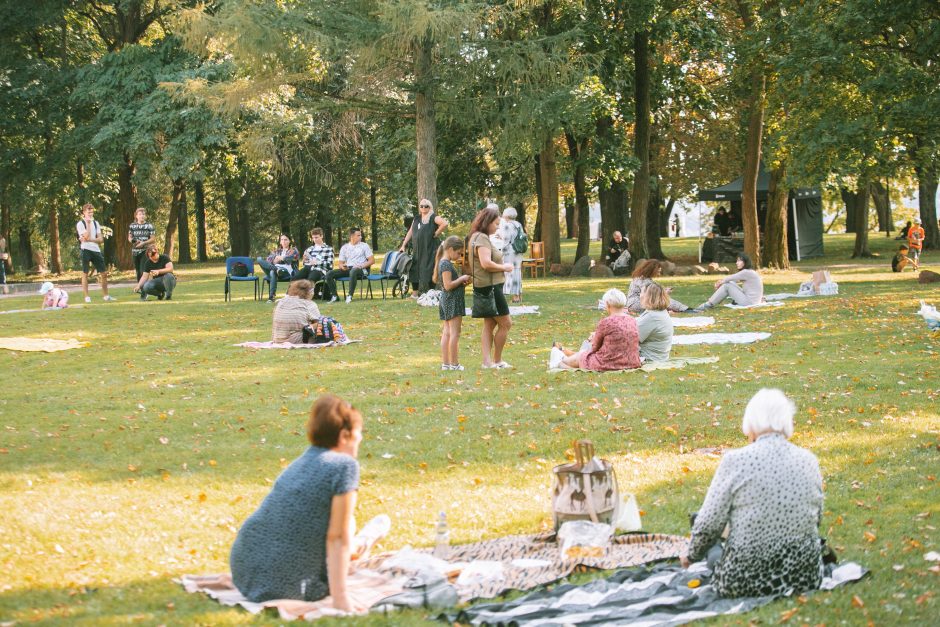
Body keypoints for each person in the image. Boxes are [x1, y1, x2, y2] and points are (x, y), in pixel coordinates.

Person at [680, 389, 824, 598]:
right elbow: (816, 519)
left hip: (744, 581)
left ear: (751, 423)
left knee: (713, 548)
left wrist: (690, 556)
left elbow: (708, 524)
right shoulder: (808, 460)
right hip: (805, 577)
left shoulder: (736, 461)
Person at [230, 395, 370, 610]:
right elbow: (337, 537)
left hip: (244, 570)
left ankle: (362, 542)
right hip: (287, 586)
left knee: (346, 525)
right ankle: (363, 542)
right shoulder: (344, 465)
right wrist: (341, 599)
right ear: (344, 436)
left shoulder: (304, 460)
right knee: (348, 525)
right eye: (358, 436)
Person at [550, 288, 641, 371]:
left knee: (582, 356)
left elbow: (594, 347)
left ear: (608, 305)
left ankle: (561, 361)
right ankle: (562, 356)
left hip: (609, 363)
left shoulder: (606, 322)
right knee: (582, 354)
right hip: (631, 362)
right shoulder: (632, 320)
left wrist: (592, 339)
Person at [469, 206, 514, 369]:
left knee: (489, 324)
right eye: (495, 224)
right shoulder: (481, 239)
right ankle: (497, 360)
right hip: (491, 287)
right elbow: (486, 263)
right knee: (506, 323)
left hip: (488, 286)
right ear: (487, 222)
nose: (497, 228)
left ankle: (487, 362)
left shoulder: (476, 236)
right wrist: (505, 267)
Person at [433, 236, 470, 371]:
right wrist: (462, 279)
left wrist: (462, 282)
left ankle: (446, 364)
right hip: (452, 300)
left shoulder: (443, 263)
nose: (459, 256)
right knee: (454, 333)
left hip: (448, 299)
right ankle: (454, 364)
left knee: (447, 333)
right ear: (450, 249)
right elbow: (448, 285)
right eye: (458, 253)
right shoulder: (446, 264)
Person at [399, 198, 448, 297]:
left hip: (430, 249)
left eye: (426, 206)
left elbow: (444, 223)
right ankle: (415, 294)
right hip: (417, 250)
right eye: (421, 206)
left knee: (430, 269)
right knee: (414, 269)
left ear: (430, 207)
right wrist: (404, 245)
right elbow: (410, 232)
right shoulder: (417, 218)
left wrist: (436, 233)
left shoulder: (433, 217)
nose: (423, 208)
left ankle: (431, 293)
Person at [76, 203, 115, 303]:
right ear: (84, 212)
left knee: (103, 273)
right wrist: (88, 225)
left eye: (92, 212)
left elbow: (101, 239)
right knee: (85, 273)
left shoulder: (96, 223)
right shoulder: (81, 224)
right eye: (88, 212)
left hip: (96, 250)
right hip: (85, 250)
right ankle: (87, 297)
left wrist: (90, 240)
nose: (90, 214)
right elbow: (86, 236)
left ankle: (106, 296)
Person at [698, 253, 763, 309]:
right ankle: (715, 300)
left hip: (749, 302)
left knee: (727, 285)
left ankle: (709, 304)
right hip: (752, 300)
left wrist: (719, 283)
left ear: (745, 262)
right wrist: (722, 282)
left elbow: (730, 277)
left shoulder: (746, 272)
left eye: (739, 261)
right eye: (737, 261)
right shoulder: (749, 272)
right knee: (730, 283)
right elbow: (733, 279)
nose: (736, 263)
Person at [270, 279, 325, 343]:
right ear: (309, 292)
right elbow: (318, 324)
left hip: (277, 339)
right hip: (296, 340)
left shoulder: (281, 301)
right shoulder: (309, 304)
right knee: (325, 324)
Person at [327, 227, 374, 303]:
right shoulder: (345, 247)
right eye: (358, 235)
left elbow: (372, 261)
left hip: (363, 269)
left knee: (353, 271)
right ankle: (335, 296)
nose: (360, 237)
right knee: (329, 274)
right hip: (349, 268)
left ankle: (350, 296)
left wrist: (361, 266)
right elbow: (340, 263)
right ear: (352, 236)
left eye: (360, 235)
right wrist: (342, 266)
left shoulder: (364, 246)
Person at [625, 259, 690, 313]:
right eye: (658, 268)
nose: (660, 270)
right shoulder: (642, 279)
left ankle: (685, 309)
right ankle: (686, 309)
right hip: (636, 304)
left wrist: (663, 291)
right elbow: (651, 294)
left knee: (664, 300)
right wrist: (665, 292)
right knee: (664, 300)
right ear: (652, 269)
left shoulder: (645, 279)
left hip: (642, 302)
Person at [257, 234, 299, 303]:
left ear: (289, 241)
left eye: (286, 240)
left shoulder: (293, 250)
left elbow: (289, 259)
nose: (284, 241)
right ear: (280, 242)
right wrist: (274, 260)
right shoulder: (276, 251)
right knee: (259, 259)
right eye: (282, 240)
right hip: (275, 269)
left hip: (286, 273)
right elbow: (269, 260)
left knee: (272, 272)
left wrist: (279, 258)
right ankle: (275, 269)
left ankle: (271, 297)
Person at [636, 283, 673, 362]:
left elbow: (632, 337)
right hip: (659, 357)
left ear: (648, 296)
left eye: (641, 292)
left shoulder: (652, 316)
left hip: (648, 358)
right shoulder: (659, 312)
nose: (640, 295)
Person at [295, 228, 335, 299]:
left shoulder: (328, 249)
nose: (315, 239)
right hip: (309, 268)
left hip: (320, 269)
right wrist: (305, 260)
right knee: (297, 276)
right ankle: (289, 296)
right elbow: (305, 263)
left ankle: (306, 297)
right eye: (313, 238)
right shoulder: (310, 249)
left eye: (316, 237)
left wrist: (317, 262)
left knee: (311, 277)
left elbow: (330, 264)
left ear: (321, 236)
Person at [496, 207, 524, 303]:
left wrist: (501, 251)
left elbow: (506, 240)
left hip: (510, 252)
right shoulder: (518, 224)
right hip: (518, 251)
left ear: (506, 215)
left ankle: (514, 296)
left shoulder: (508, 225)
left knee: (509, 272)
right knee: (517, 272)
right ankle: (518, 295)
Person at [128, 207, 156, 281]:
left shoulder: (149, 226)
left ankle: (144, 290)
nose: (142, 216)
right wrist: (134, 241)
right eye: (140, 214)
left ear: (145, 216)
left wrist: (144, 243)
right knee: (138, 271)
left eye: (143, 214)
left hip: (145, 250)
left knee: (143, 270)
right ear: (136, 216)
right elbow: (129, 238)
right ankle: (140, 287)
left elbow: (153, 238)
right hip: (135, 251)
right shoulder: (132, 226)